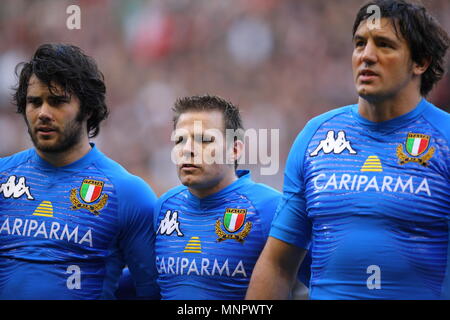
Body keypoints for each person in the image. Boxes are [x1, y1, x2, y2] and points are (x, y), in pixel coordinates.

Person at [247, 0, 450, 300]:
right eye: (359, 44)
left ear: (420, 62)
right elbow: (277, 264)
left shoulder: (444, 139)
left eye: (384, 45)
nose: (367, 56)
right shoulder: (315, 137)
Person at [0, 43, 159, 300]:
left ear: (87, 108)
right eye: (34, 102)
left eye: (57, 102)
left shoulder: (127, 193)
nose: (43, 113)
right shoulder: (3, 176)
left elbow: (153, 291)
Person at [153, 94, 305, 299]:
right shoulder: (164, 207)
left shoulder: (271, 208)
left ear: (234, 149)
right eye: (180, 140)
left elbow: (318, 283)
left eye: (204, 140)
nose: (187, 149)